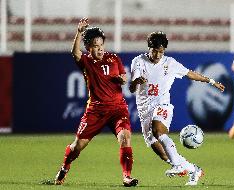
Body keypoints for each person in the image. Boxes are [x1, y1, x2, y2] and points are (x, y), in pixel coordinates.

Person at [129, 31, 225, 186]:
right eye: (155, 51)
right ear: (149, 48)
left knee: (159, 131)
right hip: (144, 110)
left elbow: (189, 74)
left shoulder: (170, 63)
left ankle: (178, 165)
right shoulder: (138, 61)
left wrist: (211, 81)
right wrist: (137, 82)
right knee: (161, 152)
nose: (158, 55)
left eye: (161, 51)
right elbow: (132, 87)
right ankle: (194, 169)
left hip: (162, 105)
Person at [54, 18, 138, 187]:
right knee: (78, 146)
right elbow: (75, 53)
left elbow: (123, 77)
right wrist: (78, 33)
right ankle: (64, 167)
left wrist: (121, 80)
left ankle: (126, 176)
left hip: (117, 109)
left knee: (125, 137)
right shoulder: (86, 62)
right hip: (96, 111)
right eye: (95, 46)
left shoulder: (114, 59)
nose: (100, 49)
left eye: (101, 45)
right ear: (88, 48)